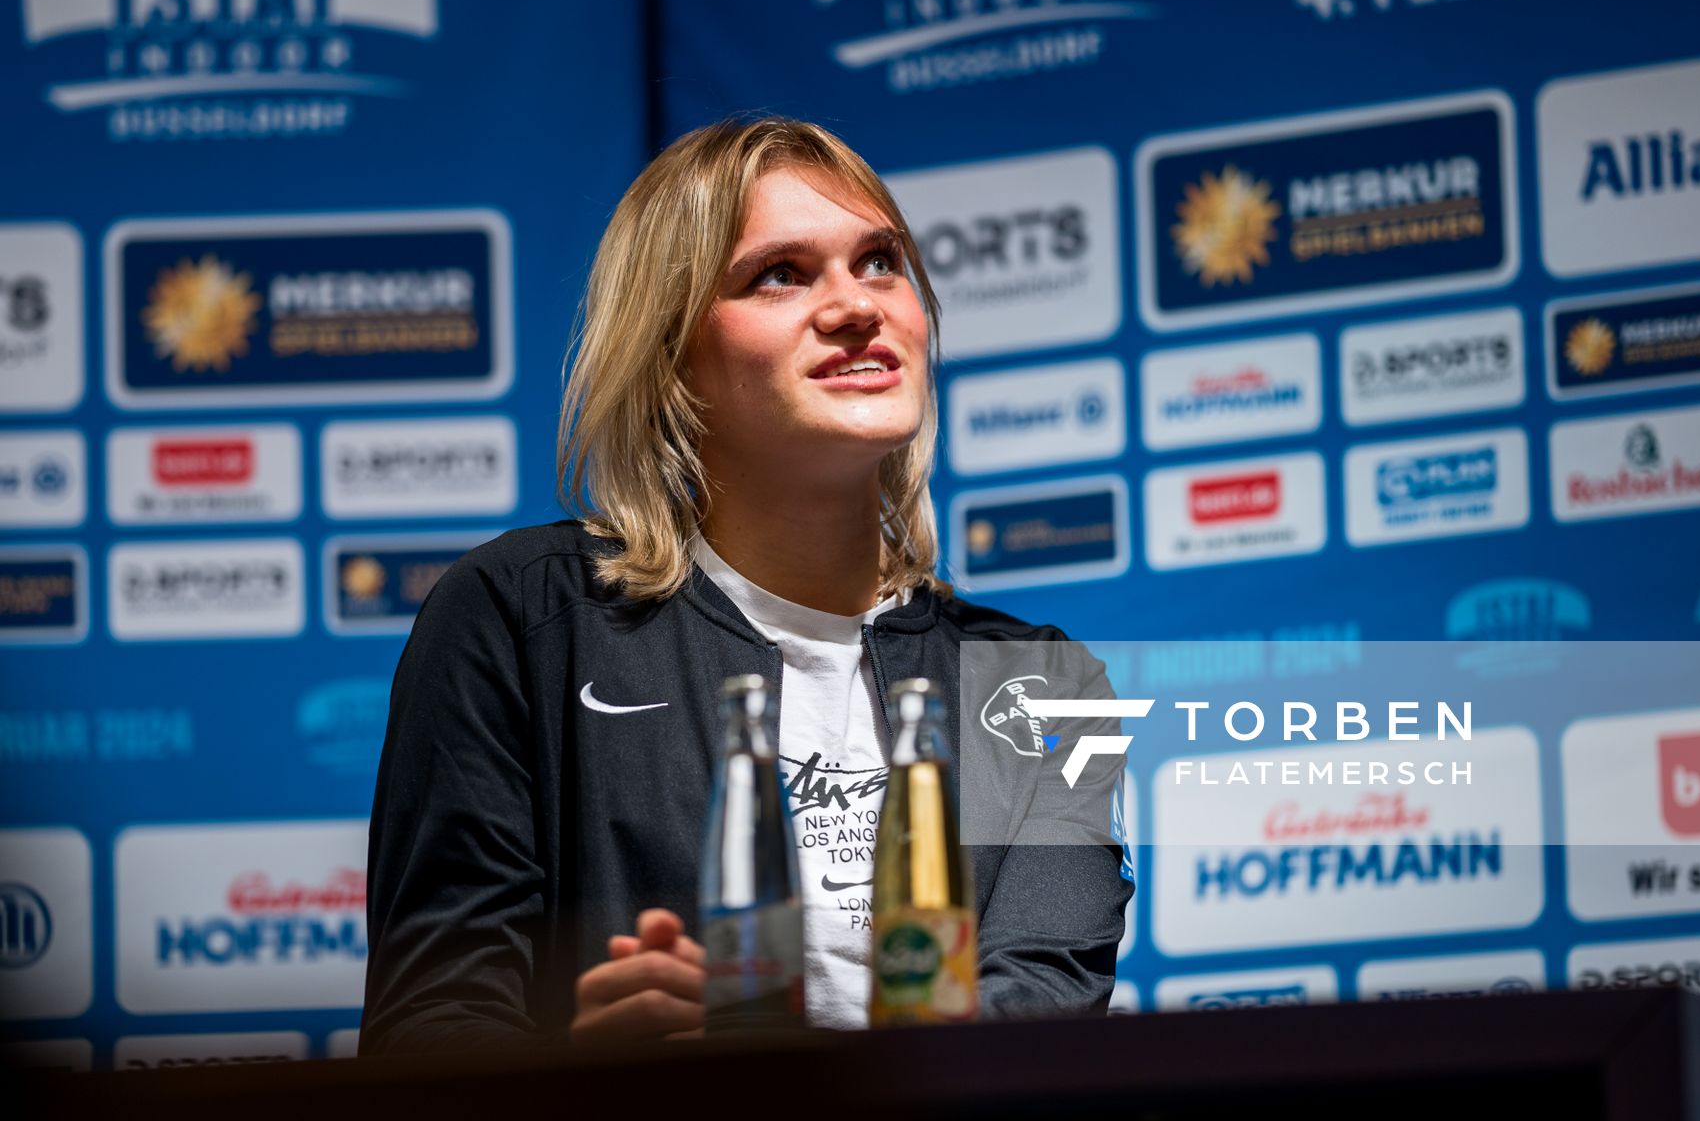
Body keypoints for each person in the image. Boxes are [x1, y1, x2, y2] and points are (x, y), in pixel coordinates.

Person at [361, 117, 1131, 1054]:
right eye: (782, 273)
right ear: (673, 354)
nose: (857, 307)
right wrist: (581, 1079)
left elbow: (1042, 1014)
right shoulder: (517, 618)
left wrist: (774, 1064)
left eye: (882, 262)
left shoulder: (1051, 683)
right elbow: (433, 1032)